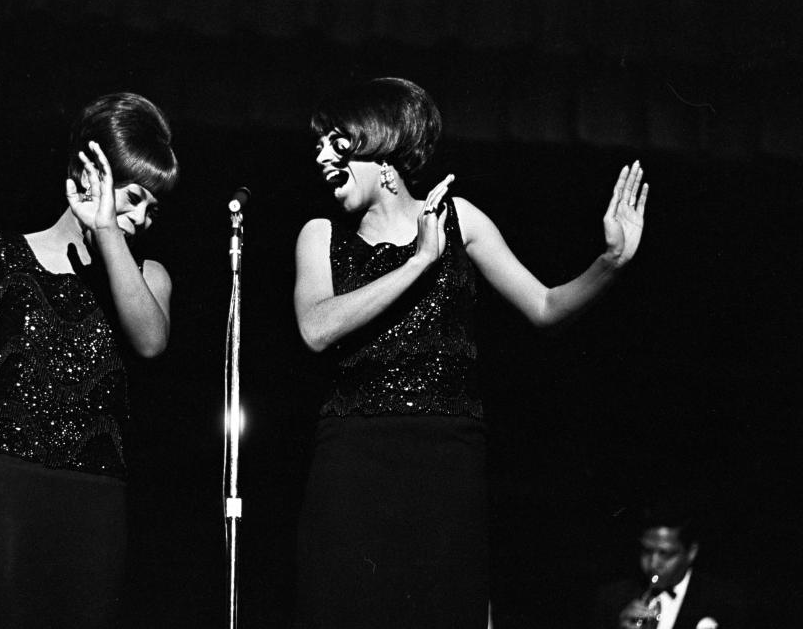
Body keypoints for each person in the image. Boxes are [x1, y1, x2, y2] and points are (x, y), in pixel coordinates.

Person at [292, 77, 648, 628]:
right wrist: (417, 263)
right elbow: (316, 329)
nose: (319, 155)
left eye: (335, 141)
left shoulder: (462, 220)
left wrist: (609, 263)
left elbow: (546, 307)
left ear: (379, 147)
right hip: (353, 454)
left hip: (446, 454)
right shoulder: (319, 234)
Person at [0, 93, 177, 628]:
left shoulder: (150, 277)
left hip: (95, 498)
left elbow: (150, 342)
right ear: (88, 177)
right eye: (134, 198)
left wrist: (109, 229)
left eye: (152, 209)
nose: (141, 217)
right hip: (5, 486)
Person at [593, 508, 752, 629]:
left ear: (691, 553)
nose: (653, 564)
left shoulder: (725, 601)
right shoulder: (611, 599)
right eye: (647, 551)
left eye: (665, 554)